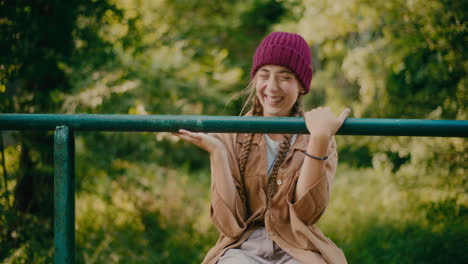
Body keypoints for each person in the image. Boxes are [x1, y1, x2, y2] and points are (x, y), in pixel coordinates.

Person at [174, 32, 350, 264]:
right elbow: (230, 224)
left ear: (302, 85)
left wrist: (319, 139)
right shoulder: (232, 134)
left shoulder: (316, 134)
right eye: (264, 75)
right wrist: (218, 154)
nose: (272, 86)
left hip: (298, 247)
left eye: (285, 77)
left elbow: (306, 213)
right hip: (242, 247)